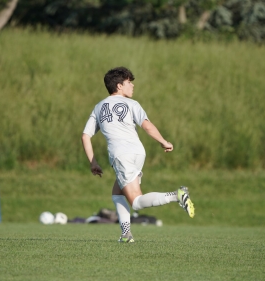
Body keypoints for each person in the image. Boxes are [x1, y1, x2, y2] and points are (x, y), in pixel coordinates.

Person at [81, 66, 195, 243]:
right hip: (138, 152)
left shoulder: (99, 107)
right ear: (119, 86)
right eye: (129, 82)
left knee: (136, 201)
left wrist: (93, 162)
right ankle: (126, 235)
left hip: (121, 155)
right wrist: (164, 141)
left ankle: (177, 195)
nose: (132, 86)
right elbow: (147, 126)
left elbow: (85, 135)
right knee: (117, 193)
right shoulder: (133, 104)